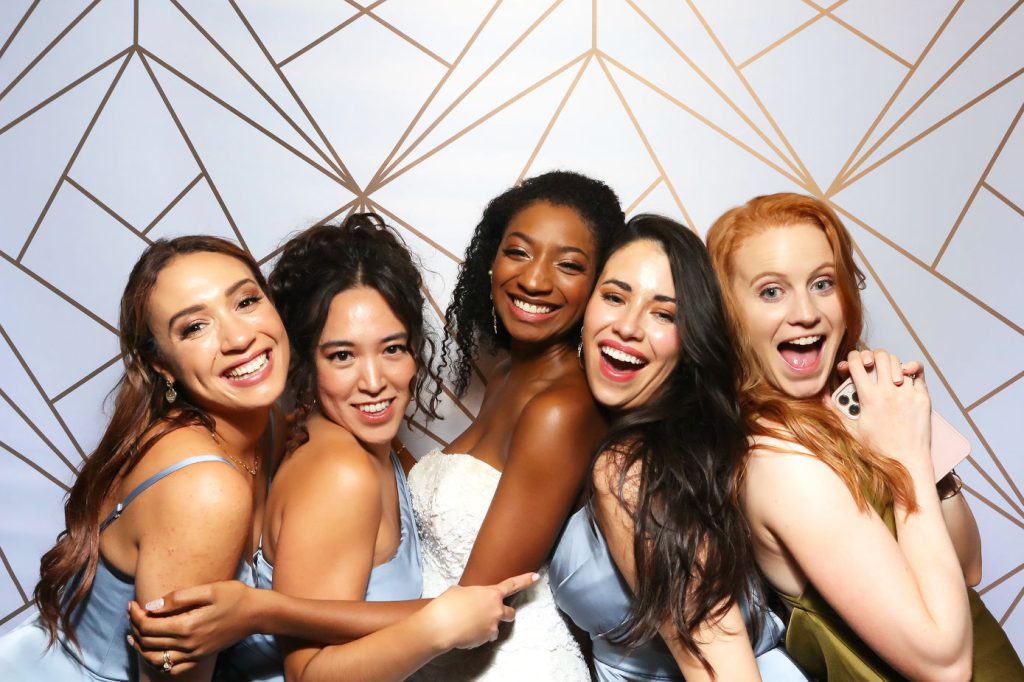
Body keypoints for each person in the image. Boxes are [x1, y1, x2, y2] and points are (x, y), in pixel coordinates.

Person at [127, 216, 536, 682]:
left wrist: (263, 610)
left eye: (393, 349)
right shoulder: (340, 473)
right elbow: (309, 674)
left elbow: (322, 613)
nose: (374, 381)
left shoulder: (346, 438)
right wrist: (437, 629)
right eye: (342, 355)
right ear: (307, 360)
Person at [705, 192, 1024, 680]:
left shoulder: (845, 409)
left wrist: (915, 434)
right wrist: (908, 458)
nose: (806, 312)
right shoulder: (780, 461)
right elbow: (944, 663)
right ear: (729, 314)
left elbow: (968, 568)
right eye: (771, 291)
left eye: (822, 283)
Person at [0, 235, 291, 681]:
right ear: (161, 365)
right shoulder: (202, 487)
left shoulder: (269, 421)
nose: (239, 337)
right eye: (195, 327)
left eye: (246, 301)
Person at [549, 214, 808, 681]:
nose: (628, 327)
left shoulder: (630, 468)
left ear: (691, 341)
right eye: (614, 297)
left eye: (663, 314)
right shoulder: (670, 446)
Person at [407, 170, 624, 679]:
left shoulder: (562, 408)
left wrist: (275, 611)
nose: (533, 280)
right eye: (519, 252)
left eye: (568, 265)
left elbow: (477, 606)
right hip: (435, 656)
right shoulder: (508, 372)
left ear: (598, 285)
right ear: (490, 260)